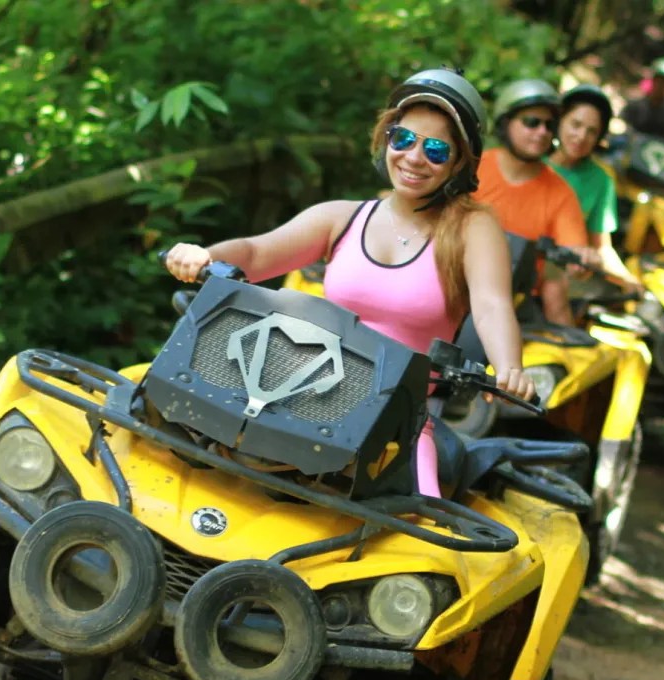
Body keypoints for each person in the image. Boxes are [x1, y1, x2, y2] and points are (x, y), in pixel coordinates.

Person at [163, 69, 532, 499]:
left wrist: (510, 368)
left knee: (423, 530)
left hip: (395, 425)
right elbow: (257, 253)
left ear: (458, 162)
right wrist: (206, 255)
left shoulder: (473, 227)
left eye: (435, 149)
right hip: (298, 397)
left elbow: (491, 305)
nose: (414, 158)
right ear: (386, 140)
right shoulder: (342, 217)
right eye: (404, 140)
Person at [473, 77, 593, 327]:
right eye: (531, 122)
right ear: (506, 123)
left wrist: (581, 259)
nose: (542, 132)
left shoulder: (561, 193)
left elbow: (568, 258)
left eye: (549, 126)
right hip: (454, 285)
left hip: (517, 306)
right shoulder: (473, 168)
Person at [548, 84, 641, 292]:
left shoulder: (601, 180)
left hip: (563, 277)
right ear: (559, 121)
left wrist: (627, 280)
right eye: (576, 124)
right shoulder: (533, 160)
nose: (581, 136)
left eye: (591, 131)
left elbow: (602, 247)